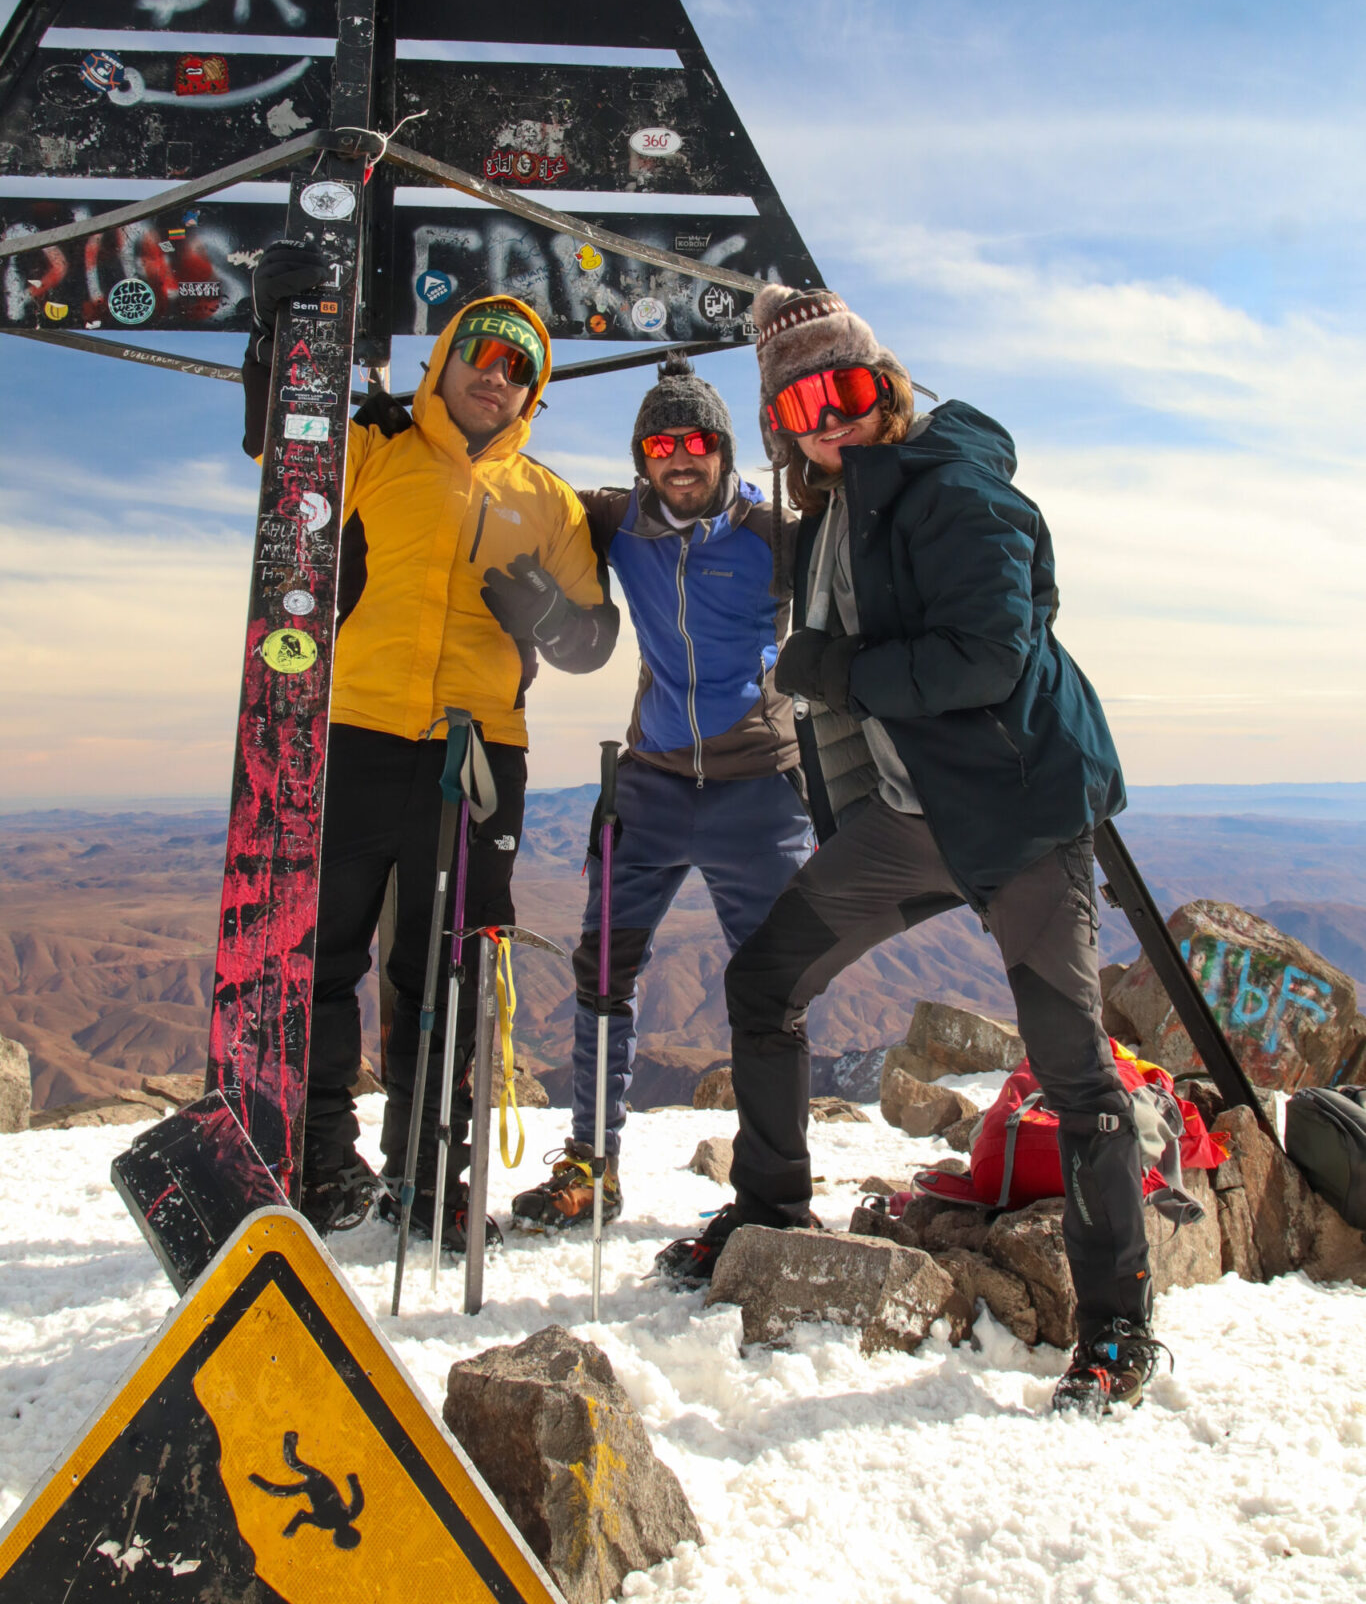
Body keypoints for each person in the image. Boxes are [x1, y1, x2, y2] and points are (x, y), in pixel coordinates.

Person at [654, 287, 1160, 1418]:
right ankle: (771, 1203)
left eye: (839, 389)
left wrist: (836, 672)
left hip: (1017, 813)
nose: (821, 417)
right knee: (764, 979)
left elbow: (987, 653)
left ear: (881, 385)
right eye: (796, 403)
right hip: (905, 814)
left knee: (1073, 1069)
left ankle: (1118, 1326)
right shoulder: (837, 502)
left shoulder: (954, 487)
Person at [245, 245, 618, 1247]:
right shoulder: (373, 443)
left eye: (519, 367)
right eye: (483, 352)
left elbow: (590, 639)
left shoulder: (549, 499)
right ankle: (322, 1155)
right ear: (446, 355)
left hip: (480, 751)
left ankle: (429, 1172)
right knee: (322, 955)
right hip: (356, 730)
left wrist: (542, 608)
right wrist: (280, 342)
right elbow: (282, 447)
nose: (497, 373)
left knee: (446, 966)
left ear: (530, 392)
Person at [510, 353, 812, 1232]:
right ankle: (590, 1167)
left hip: (761, 790)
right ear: (642, 457)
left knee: (772, 991)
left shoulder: (776, 529)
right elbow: (531, 490)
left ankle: (773, 1191)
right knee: (604, 971)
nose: (679, 458)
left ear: (723, 448)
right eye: (660, 443)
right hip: (652, 781)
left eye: (696, 442)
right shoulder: (620, 521)